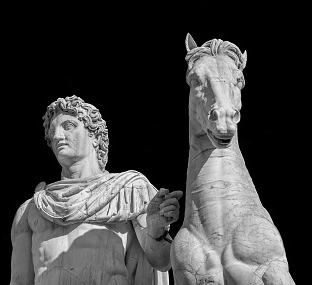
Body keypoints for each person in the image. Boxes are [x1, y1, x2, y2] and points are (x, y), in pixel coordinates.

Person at [10, 95, 183, 285]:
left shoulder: (127, 190)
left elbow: (162, 261)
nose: (58, 136)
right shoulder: (31, 210)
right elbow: (19, 281)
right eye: (52, 132)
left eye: (68, 126)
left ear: (94, 136)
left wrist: (156, 229)